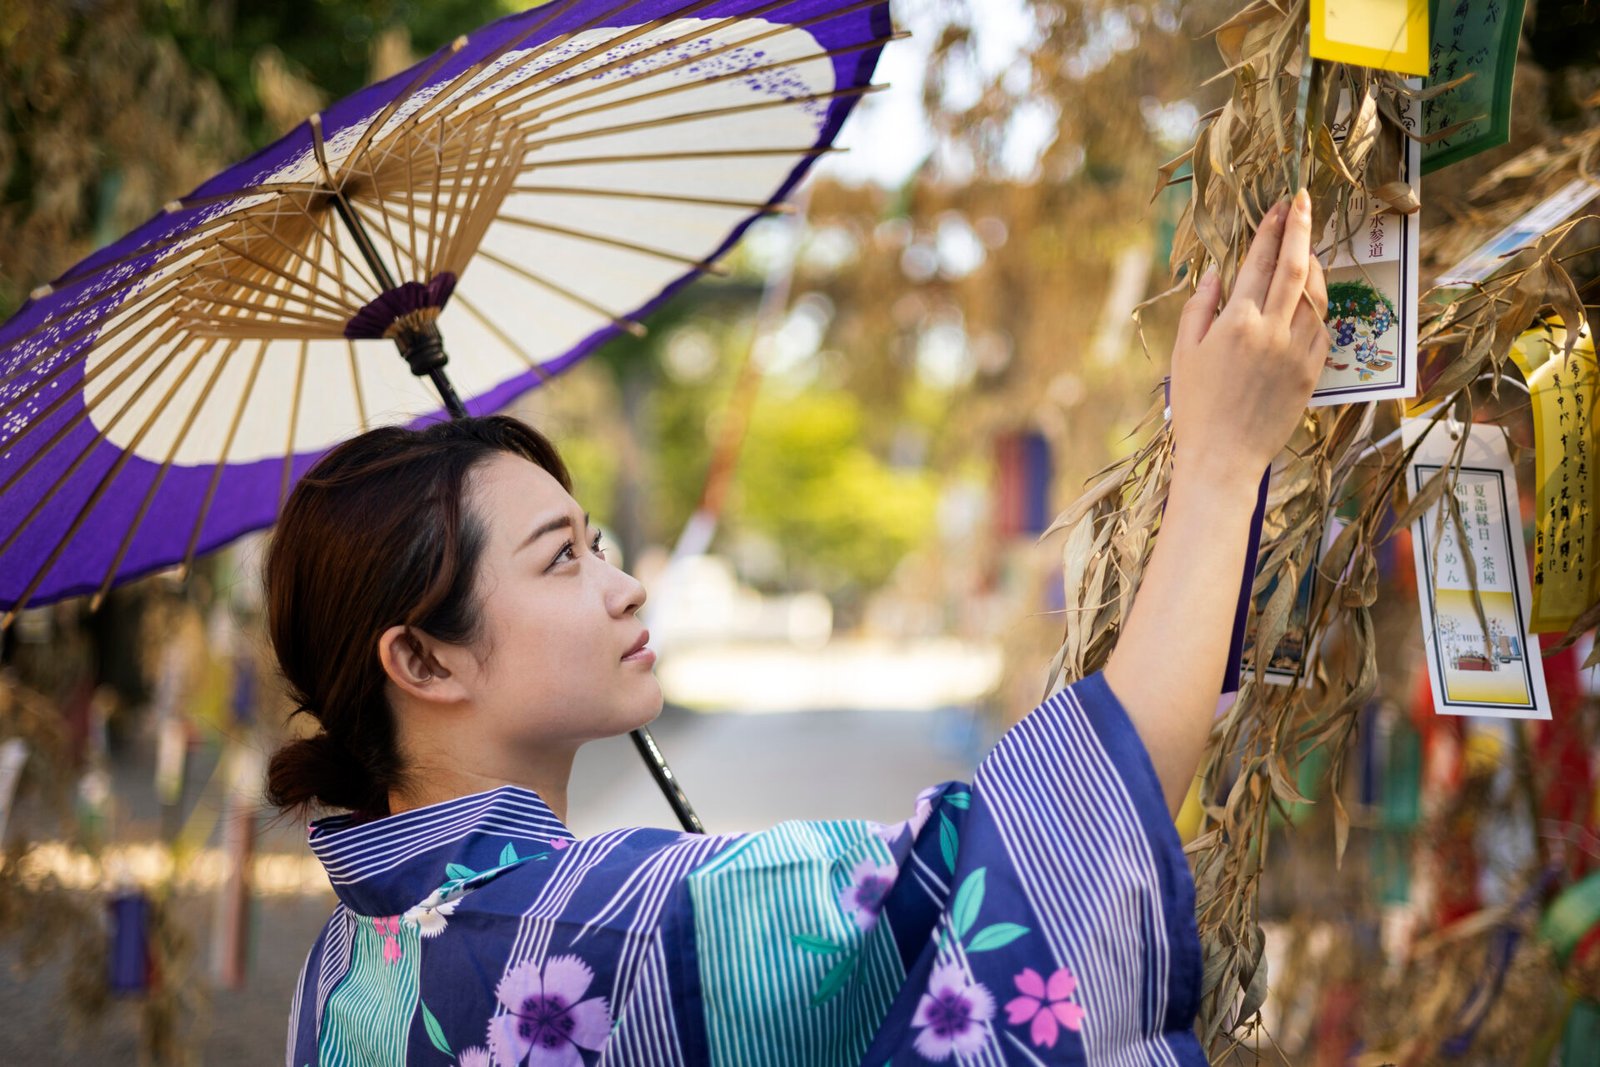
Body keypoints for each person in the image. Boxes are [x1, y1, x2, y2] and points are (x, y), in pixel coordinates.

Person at [275, 192, 1328, 1066]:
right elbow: (1060, 847)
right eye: (560, 557)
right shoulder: (645, 923)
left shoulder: (332, 977)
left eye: (598, 544)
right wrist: (1225, 461)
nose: (628, 586)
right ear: (420, 657)